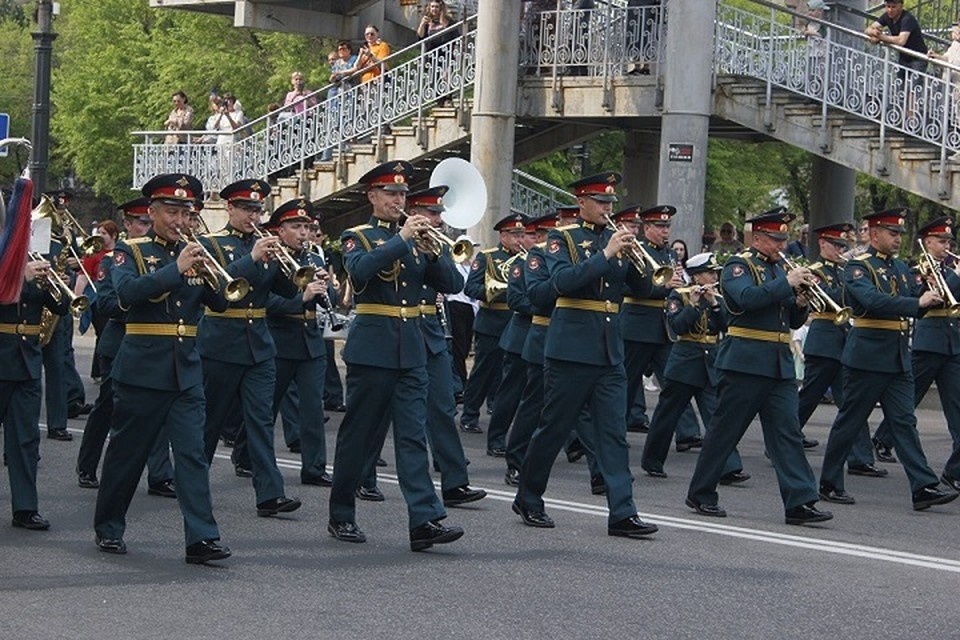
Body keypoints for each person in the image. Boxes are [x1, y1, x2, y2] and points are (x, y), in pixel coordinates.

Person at [327, 160, 465, 551]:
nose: (399, 200)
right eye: (391, 194)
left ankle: (424, 519)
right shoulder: (357, 235)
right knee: (359, 435)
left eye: (404, 194)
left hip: (413, 348)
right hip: (373, 348)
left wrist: (435, 251)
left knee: (411, 437)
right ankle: (341, 513)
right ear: (372, 197)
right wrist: (402, 240)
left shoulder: (420, 238)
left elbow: (454, 284)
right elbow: (360, 271)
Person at [93, 173, 230, 563]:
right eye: (171, 211)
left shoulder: (194, 249)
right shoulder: (129, 252)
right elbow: (127, 295)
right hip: (142, 367)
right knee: (128, 454)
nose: (179, 219)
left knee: (191, 455)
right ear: (152, 212)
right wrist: (175, 270)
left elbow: (220, 304)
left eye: (185, 212)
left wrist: (210, 274)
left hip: (186, 368)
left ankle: (201, 538)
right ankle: (108, 527)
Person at [514, 171, 659, 539]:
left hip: (610, 348)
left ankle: (622, 512)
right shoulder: (561, 240)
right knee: (554, 428)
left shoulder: (617, 239)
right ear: (582, 203)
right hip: (571, 348)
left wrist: (640, 256)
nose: (609, 209)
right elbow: (560, 284)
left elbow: (642, 287)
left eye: (612, 203)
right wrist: (608, 253)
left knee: (613, 433)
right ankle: (529, 496)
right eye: (601, 202)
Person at [685, 207, 833, 526]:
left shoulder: (780, 270)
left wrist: (801, 302)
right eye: (776, 239)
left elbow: (790, 320)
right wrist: (787, 284)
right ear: (760, 237)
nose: (782, 245)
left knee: (787, 434)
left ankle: (800, 501)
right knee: (726, 432)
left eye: (784, 239)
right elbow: (745, 301)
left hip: (778, 363)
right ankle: (701, 492)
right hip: (745, 361)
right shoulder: (739, 265)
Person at [818, 209, 958, 511]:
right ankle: (829, 481)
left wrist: (929, 292)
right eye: (892, 233)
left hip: (897, 356)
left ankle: (923, 486)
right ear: (873, 233)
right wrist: (915, 301)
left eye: (899, 234)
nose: (898, 239)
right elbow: (872, 301)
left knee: (905, 422)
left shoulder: (899, 268)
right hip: (867, 355)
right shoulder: (858, 266)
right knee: (850, 421)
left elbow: (913, 304)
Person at [198, 179, 302, 518]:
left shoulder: (265, 244)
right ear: (230, 208)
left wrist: (288, 257)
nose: (253, 216)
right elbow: (215, 285)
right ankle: (192, 483)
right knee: (209, 422)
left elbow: (287, 292)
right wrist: (254, 259)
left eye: (258, 209)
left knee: (260, 421)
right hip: (221, 340)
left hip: (259, 343)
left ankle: (270, 494)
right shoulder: (211, 243)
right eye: (246, 209)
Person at [75, 199, 176, 496]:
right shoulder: (113, 260)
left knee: (159, 410)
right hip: (120, 342)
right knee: (107, 409)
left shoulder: (166, 256)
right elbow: (106, 304)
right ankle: (87, 465)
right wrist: (142, 298)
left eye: (147, 222)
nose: (145, 227)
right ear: (128, 225)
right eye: (140, 222)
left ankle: (159, 475)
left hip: (156, 344)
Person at [869, 216, 960, 493]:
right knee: (908, 399)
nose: (947, 246)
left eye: (949, 242)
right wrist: (956, 277)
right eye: (941, 241)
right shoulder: (920, 267)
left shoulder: (951, 266)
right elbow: (932, 296)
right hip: (929, 341)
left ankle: (953, 472)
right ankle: (883, 438)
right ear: (928, 242)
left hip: (954, 344)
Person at [640, 252, 747, 483]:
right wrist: (696, 305)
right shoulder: (678, 295)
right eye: (710, 273)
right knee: (668, 414)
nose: (714, 277)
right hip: (685, 361)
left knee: (717, 418)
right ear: (697, 277)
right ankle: (652, 460)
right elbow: (677, 327)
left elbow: (726, 326)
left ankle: (728, 467)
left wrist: (715, 304)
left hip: (709, 362)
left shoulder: (716, 296)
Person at [794, 222, 880, 473]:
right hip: (824, 340)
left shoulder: (847, 269)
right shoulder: (815, 270)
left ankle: (860, 458)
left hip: (844, 339)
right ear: (822, 243)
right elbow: (830, 297)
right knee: (808, 397)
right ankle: (785, 437)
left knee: (853, 403)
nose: (841, 249)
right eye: (836, 244)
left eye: (844, 245)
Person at [262, 198, 336, 487]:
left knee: (313, 407)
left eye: (306, 227)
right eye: (296, 227)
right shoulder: (270, 259)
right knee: (267, 406)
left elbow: (315, 300)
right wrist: (300, 299)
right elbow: (264, 301)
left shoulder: (314, 259)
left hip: (310, 340)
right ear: (280, 230)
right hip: (279, 338)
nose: (304, 233)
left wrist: (322, 289)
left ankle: (315, 467)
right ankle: (246, 456)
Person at [2, 253, 69, 530]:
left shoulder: (29, 258)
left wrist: (59, 285)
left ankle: (26, 507)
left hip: (27, 361)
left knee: (26, 441)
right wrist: (20, 278)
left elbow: (62, 308)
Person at [459, 212, 527, 433]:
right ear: (503, 235)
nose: (519, 240)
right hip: (492, 322)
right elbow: (470, 288)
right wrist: (494, 292)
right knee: (483, 372)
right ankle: (469, 415)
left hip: (516, 321)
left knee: (509, 374)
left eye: (522, 235)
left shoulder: (528, 259)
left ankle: (499, 412)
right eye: (515, 235)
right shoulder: (487, 257)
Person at [485, 214, 538, 457]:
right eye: (532, 236)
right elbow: (517, 300)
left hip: (545, 335)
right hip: (521, 334)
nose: (536, 241)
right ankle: (496, 438)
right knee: (510, 392)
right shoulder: (521, 264)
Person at [445, 234, 479, 396]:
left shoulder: (470, 267)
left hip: (469, 308)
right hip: (456, 305)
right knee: (458, 347)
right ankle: (460, 383)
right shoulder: (456, 265)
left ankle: (461, 381)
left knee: (464, 347)